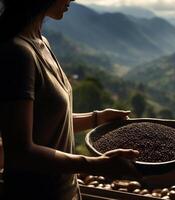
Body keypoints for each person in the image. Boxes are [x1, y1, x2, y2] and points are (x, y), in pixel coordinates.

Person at [0, 0, 140, 199]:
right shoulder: (17, 53)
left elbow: (47, 123)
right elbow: (20, 152)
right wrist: (96, 165)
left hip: (66, 191)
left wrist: (97, 119)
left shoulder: (42, 43)